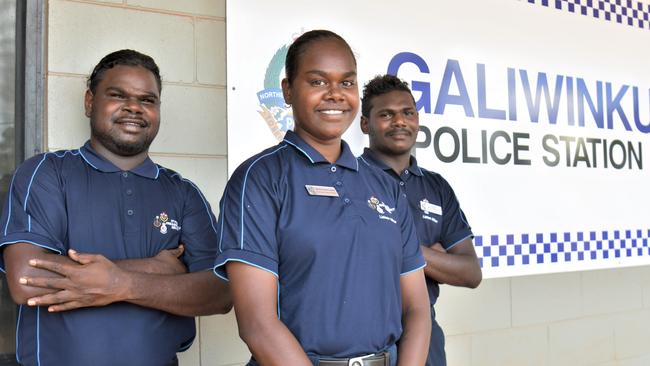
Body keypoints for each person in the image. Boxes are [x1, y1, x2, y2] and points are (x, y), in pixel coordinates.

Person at [0, 49, 231, 366]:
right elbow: (26, 280)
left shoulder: (183, 193)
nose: (134, 107)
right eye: (117, 95)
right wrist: (156, 268)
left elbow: (220, 294)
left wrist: (123, 284)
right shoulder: (47, 173)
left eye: (147, 100)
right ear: (89, 102)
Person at [213, 30, 431, 366]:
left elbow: (417, 308)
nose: (335, 95)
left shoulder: (385, 186)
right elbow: (258, 324)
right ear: (287, 90)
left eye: (347, 83)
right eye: (317, 82)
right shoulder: (259, 179)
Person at [360, 74, 482, 366]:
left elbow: (470, 272)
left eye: (407, 113)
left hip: (427, 336)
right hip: (366, 337)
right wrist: (435, 257)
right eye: (386, 114)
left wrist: (405, 248)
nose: (399, 121)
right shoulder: (350, 178)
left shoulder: (436, 186)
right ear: (365, 123)